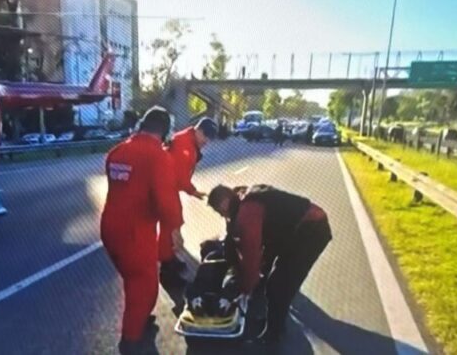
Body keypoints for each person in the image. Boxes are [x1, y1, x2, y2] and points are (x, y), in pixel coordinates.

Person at [101, 107, 183, 355]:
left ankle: (140, 318)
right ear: (165, 131)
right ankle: (131, 341)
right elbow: (166, 200)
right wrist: (175, 229)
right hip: (136, 233)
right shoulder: (158, 156)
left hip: (110, 228)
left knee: (132, 278)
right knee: (145, 284)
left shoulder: (117, 151)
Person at [206, 184, 332, 343]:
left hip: (311, 230)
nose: (220, 215)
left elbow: (251, 255)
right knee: (269, 275)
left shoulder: (247, 214)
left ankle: (273, 334)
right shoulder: (242, 198)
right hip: (293, 229)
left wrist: (244, 289)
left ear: (224, 203)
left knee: (278, 285)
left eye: (219, 210)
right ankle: (274, 319)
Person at [159, 118, 218, 286]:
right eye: (205, 136)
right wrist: (194, 191)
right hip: (165, 188)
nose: (207, 141)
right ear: (198, 130)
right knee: (170, 225)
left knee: (175, 222)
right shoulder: (184, 144)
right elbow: (180, 176)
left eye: (210, 138)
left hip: (168, 187)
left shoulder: (190, 141)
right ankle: (166, 269)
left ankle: (170, 259)